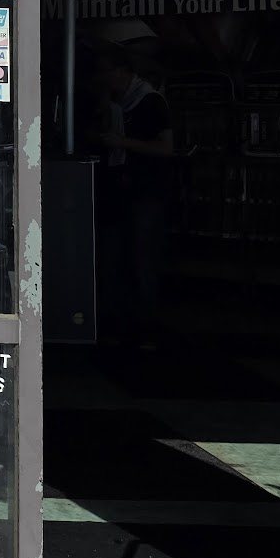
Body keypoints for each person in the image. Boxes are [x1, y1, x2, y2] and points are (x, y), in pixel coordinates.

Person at [88, 42, 175, 348]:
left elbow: (167, 147)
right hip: (119, 190)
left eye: (106, 72)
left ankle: (145, 326)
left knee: (141, 259)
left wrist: (123, 143)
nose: (103, 78)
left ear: (122, 71)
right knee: (115, 257)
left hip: (145, 191)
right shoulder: (115, 105)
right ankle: (119, 322)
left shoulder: (150, 101)